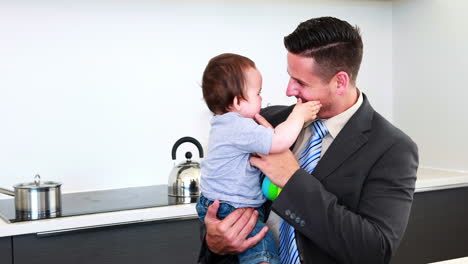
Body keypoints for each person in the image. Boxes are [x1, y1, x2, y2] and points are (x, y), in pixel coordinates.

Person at [197, 17, 419, 264]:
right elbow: (225, 199)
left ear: (340, 82)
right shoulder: (266, 123)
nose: (288, 90)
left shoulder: (393, 149)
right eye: (290, 76)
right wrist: (214, 240)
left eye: (300, 82)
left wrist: (292, 179)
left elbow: (374, 251)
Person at [197, 53, 321, 264]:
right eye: (258, 94)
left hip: (215, 202)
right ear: (237, 101)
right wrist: (298, 115)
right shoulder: (240, 126)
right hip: (233, 207)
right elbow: (278, 140)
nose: (262, 100)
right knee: (262, 244)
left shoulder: (222, 125)